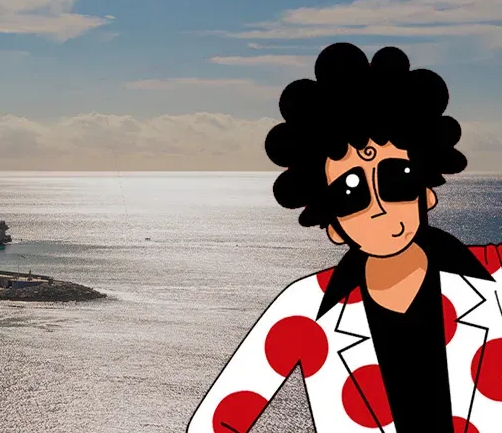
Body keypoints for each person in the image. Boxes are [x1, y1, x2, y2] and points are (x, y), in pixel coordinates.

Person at [188, 43, 502, 432]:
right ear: (333, 224)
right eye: (350, 194)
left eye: (396, 179)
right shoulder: (304, 311)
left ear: (427, 191)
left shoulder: (496, 278)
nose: (379, 206)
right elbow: (216, 421)